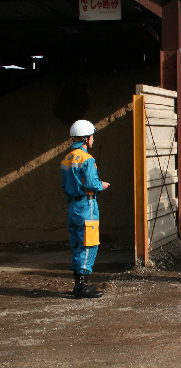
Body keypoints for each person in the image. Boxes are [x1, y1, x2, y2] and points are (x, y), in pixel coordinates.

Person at [61, 120, 110, 299]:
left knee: (76, 243)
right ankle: (82, 286)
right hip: (86, 205)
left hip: (73, 205)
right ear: (86, 138)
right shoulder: (87, 159)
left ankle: (78, 283)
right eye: (92, 137)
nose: (93, 140)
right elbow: (90, 183)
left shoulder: (66, 158)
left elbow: (66, 185)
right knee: (89, 243)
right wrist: (101, 185)